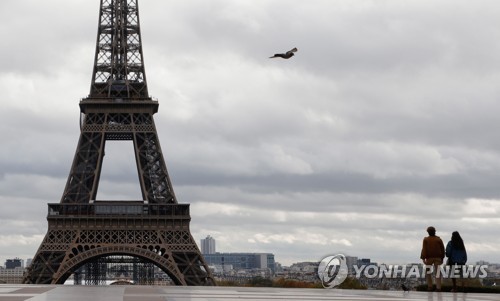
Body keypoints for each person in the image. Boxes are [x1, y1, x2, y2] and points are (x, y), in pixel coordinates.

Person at [420, 226, 445, 291]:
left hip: (429, 258)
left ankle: (430, 287)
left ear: (428, 232)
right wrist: (442, 258)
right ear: (434, 231)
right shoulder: (438, 239)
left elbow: (424, 249)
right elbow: (442, 249)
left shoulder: (426, 239)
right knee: (438, 273)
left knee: (428, 272)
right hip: (438, 258)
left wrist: (423, 258)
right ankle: (438, 287)